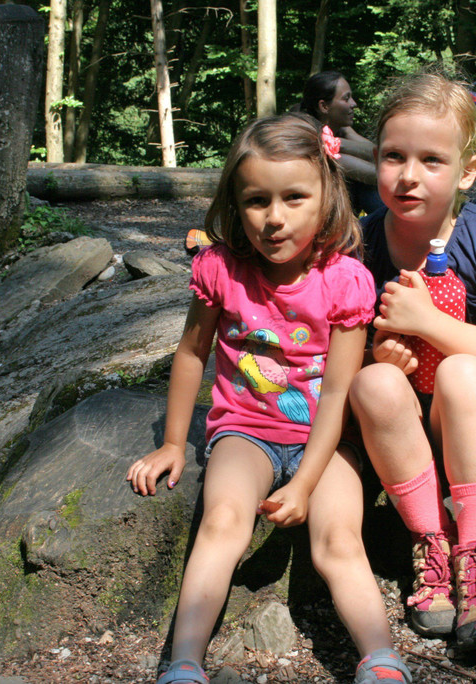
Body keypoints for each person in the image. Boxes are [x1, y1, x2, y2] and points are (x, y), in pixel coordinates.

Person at [127, 115, 412, 684]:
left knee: (338, 539)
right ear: (236, 204)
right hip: (246, 431)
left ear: (326, 197)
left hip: (328, 441)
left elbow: (338, 390)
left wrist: (304, 483)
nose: (274, 217)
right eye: (257, 200)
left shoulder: (345, 279)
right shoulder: (221, 269)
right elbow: (192, 352)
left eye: (293, 197)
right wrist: (174, 443)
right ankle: (184, 663)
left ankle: (381, 658)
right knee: (222, 521)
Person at [348, 72, 476, 650]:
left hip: (467, 416)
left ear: (467, 172)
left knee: (462, 369)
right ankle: (431, 540)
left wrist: (427, 323)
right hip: (396, 424)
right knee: (374, 381)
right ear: (376, 160)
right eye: (394, 157)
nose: (409, 175)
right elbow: (338, 354)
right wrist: (377, 354)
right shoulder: (360, 244)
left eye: (431, 160)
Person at [299, 70, 382, 215]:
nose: (354, 104)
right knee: (366, 185)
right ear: (324, 106)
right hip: (322, 216)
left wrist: (339, 142)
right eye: (346, 99)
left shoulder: (340, 128)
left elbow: (375, 153)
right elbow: (375, 175)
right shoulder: (310, 136)